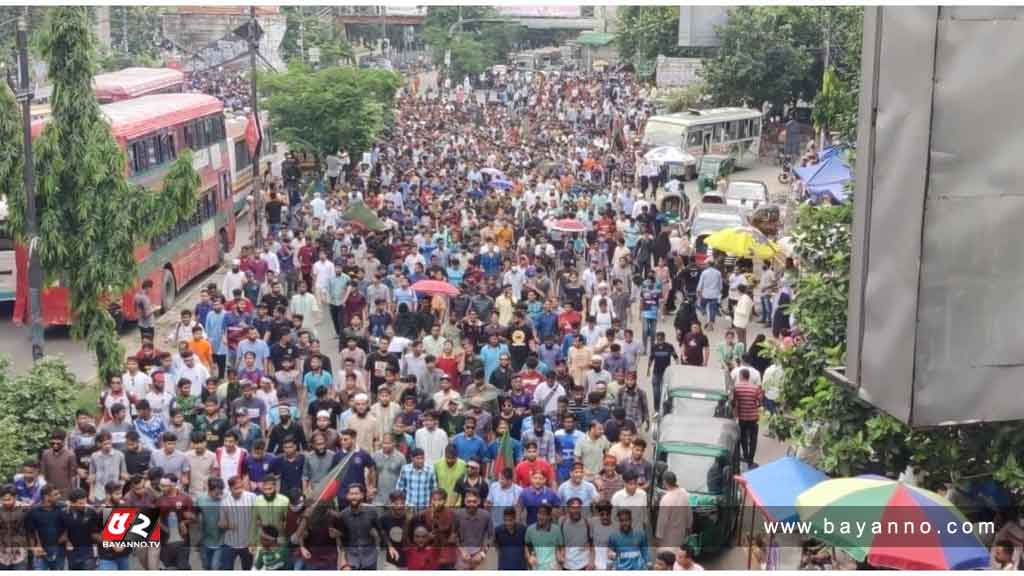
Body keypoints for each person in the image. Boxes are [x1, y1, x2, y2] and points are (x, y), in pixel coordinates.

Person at [733, 368, 764, 466]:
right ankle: (751, 459)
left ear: (741, 376)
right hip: (753, 417)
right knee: (753, 439)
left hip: (742, 417)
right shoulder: (755, 388)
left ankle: (745, 456)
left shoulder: (736, 387)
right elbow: (760, 401)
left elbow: (734, 401)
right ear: (748, 377)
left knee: (743, 437)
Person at [655, 470, 692, 548]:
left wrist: (659, 536)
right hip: (681, 534)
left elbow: (662, 521)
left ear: (664, 482)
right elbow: (689, 513)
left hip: (668, 537)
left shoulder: (666, 499)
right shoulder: (685, 493)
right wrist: (689, 527)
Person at [525, 503, 564, 570]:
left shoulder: (556, 529)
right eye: (539, 514)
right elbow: (526, 546)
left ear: (549, 516)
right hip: (536, 567)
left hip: (553, 567)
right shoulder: (530, 529)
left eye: (544, 514)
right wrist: (529, 557)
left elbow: (561, 547)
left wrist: (560, 559)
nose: (540, 517)